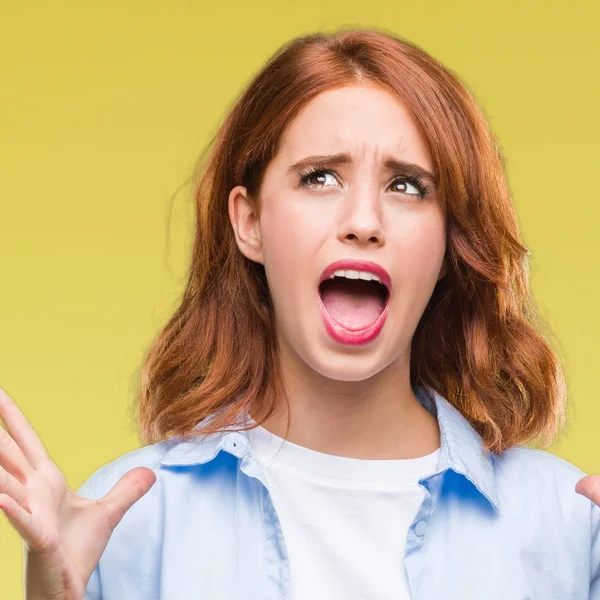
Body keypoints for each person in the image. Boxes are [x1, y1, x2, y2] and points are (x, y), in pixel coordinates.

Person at [0, 26, 599, 600]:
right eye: (320, 177)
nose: (363, 222)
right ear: (250, 222)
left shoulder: (566, 527)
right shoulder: (128, 519)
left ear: (449, 243)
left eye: (409, 186)